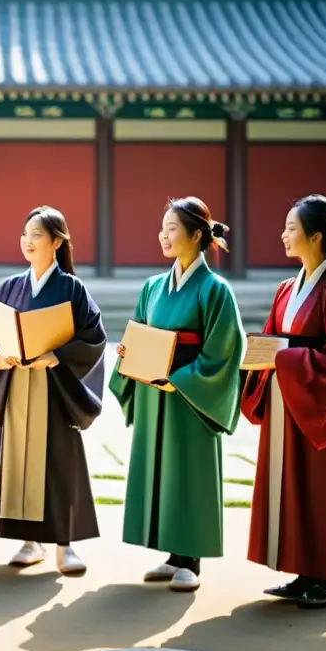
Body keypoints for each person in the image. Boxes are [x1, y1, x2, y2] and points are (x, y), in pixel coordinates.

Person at [108, 197, 245, 593]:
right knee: (161, 470)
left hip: (189, 391)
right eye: (162, 226)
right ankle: (171, 554)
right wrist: (127, 356)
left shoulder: (215, 289)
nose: (163, 235)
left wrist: (182, 379)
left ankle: (192, 560)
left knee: (189, 470)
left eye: (172, 227)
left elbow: (224, 350)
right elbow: (137, 329)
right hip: (154, 389)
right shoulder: (153, 286)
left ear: (197, 235)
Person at [240, 195, 326, 608]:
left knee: (319, 487)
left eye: (290, 228)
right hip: (288, 401)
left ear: (315, 237)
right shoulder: (286, 289)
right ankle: (302, 573)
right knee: (291, 485)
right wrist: (252, 360)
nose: (283, 234)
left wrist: (286, 359)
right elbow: (271, 341)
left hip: (321, 406)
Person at [0, 206, 106, 575]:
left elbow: (94, 338)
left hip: (54, 387)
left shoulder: (72, 289)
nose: (27, 242)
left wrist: (56, 356)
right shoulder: (9, 287)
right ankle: (29, 541)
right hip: (15, 384)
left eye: (36, 235)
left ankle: (65, 544)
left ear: (57, 242)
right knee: (19, 465)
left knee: (59, 464)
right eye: (24, 234)